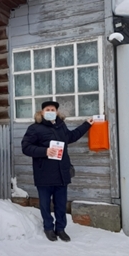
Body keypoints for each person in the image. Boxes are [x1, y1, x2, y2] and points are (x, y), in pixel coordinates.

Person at [21, 101, 93, 242]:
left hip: (61, 173)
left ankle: (60, 229)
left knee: (61, 204)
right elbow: (26, 147)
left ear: (57, 112)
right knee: (45, 204)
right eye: (47, 109)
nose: (50, 111)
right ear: (42, 112)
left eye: (53, 109)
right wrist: (45, 151)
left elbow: (71, 137)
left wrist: (87, 124)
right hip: (44, 174)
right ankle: (48, 227)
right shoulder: (34, 128)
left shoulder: (61, 126)